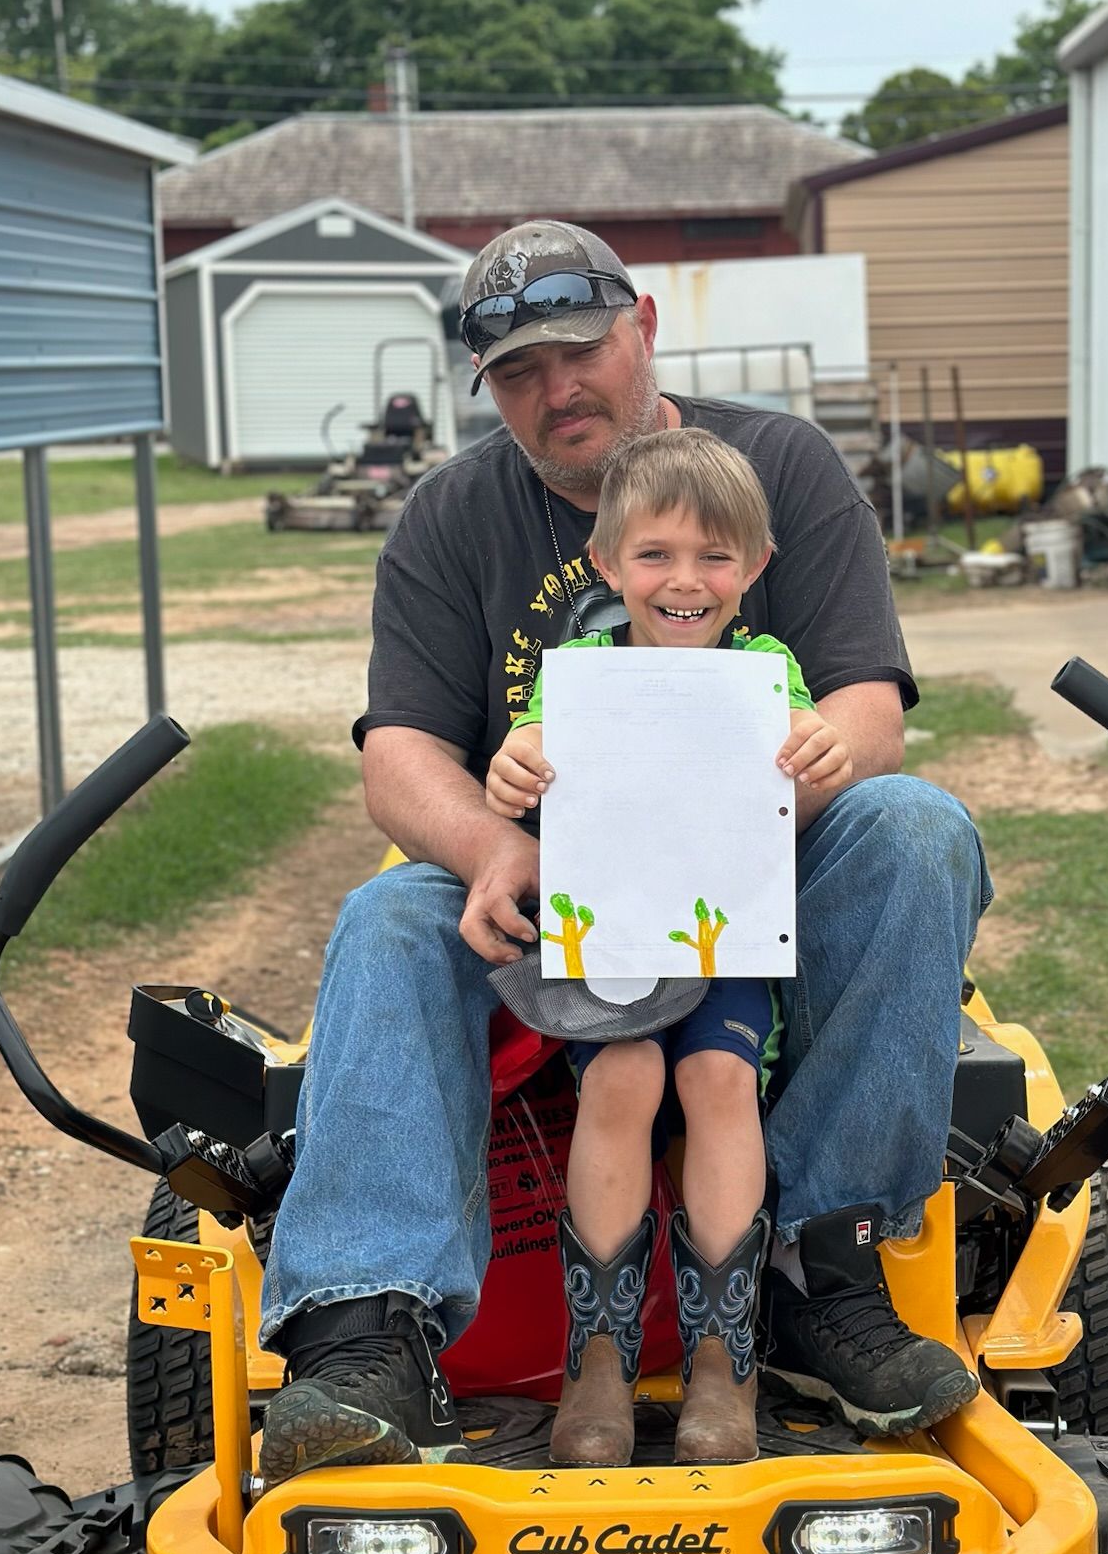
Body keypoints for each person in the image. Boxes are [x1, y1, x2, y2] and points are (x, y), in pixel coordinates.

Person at [255, 217, 989, 1488]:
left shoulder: (786, 466)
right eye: (519, 373)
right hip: (543, 884)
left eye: (579, 352)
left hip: (763, 862)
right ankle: (369, 1332)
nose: (558, 390)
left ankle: (820, 1267)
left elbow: (872, 703)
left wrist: (826, 750)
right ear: (487, 387)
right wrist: (490, 841)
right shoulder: (449, 516)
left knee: (920, 828)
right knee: (384, 921)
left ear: (641, 324)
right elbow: (398, 755)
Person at [486, 428, 849, 1469]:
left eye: (714, 556)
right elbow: (531, 753)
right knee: (625, 1078)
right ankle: (594, 1357)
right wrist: (518, 765)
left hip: (724, 934)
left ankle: (719, 1363)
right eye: (655, 555)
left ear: (756, 566)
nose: (685, 580)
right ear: (608, 564)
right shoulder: (578, 677)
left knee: (719, 1074)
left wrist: (817, 742)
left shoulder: (765, 668)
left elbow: (806, 738)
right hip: (617, 944)